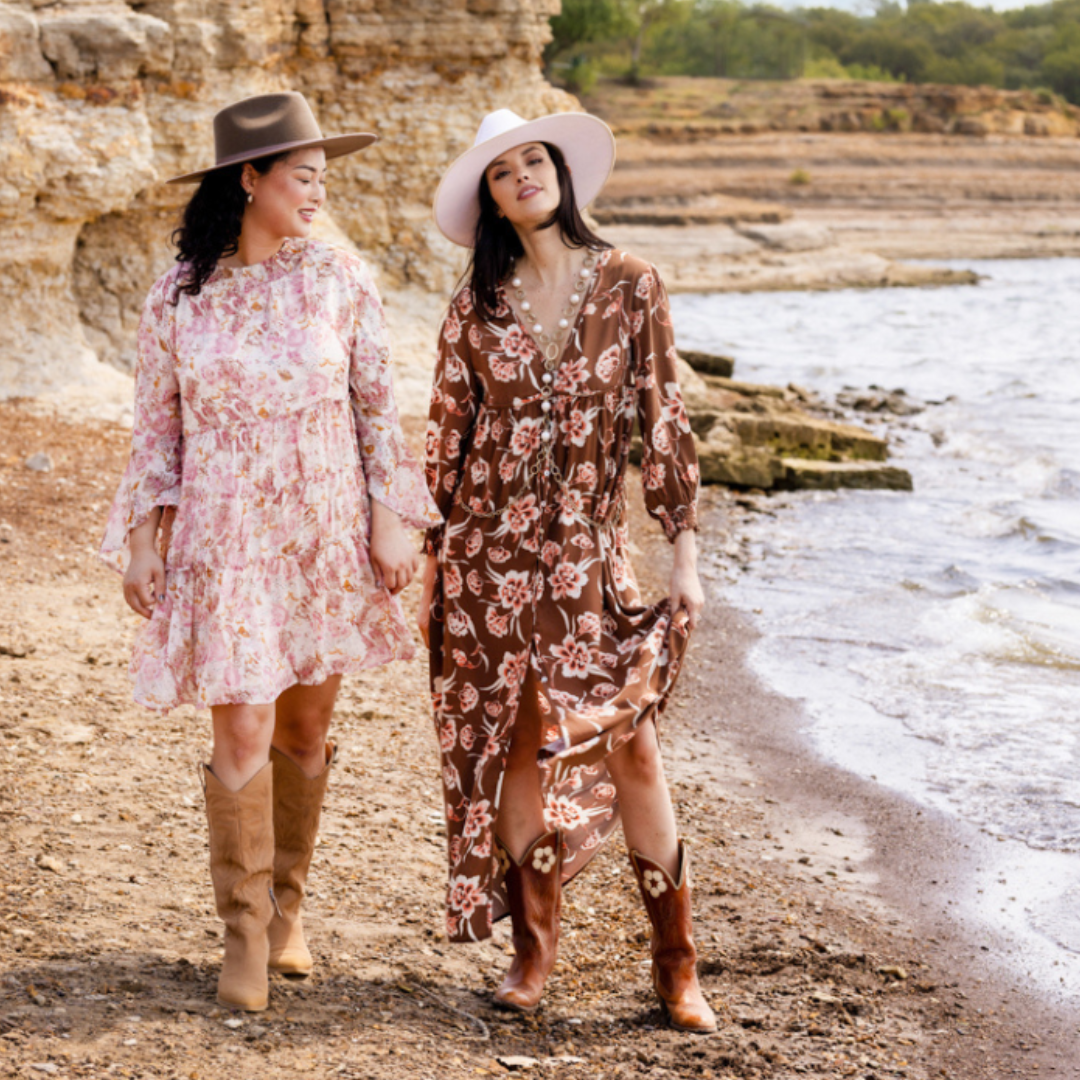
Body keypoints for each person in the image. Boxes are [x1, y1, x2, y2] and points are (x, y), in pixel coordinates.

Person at [100, 92, 440, 1012]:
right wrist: (142, 544)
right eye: (303, 175)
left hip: (324, 532)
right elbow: (154, 435)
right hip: (227, 537)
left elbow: (377, 411)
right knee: (243, 726)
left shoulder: (341, 278)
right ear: (248, 179)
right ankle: (242, 931)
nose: (318, 192)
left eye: (324, 176)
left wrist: (389, 520)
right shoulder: (177, 294)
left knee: (303, 730)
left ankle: (290, 906)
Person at [418, 109, 716, 1033]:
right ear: (492, 201)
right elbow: (443, 445)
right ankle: (533, 950)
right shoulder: (476, 309)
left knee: (631, 743)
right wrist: (426, 564)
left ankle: (677, 964)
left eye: (534, 160)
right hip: (484, 558)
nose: (522, 177)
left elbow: (664, 423)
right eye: (502, 172)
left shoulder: (631, 285)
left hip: (590, 558)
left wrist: (685, 556)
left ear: (560, 174)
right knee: (513, 741)